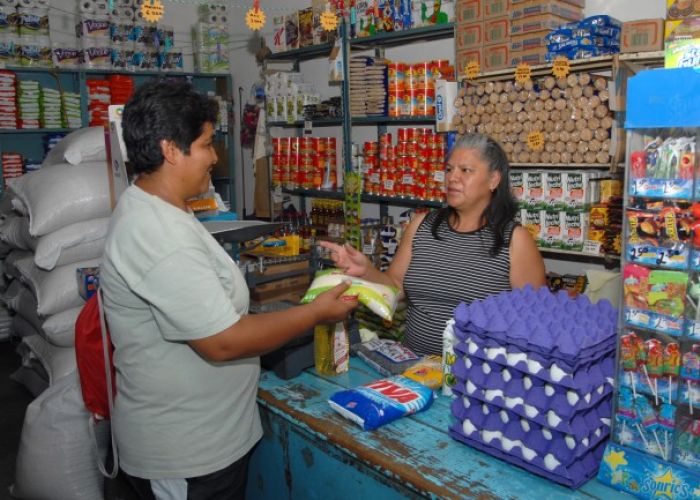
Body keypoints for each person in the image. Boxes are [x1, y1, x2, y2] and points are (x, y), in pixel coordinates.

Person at [99, 80, 358, 500]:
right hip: (185, 455)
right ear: (170, 150)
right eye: (205, 144)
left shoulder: (165, 213)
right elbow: (221, 342)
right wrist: (314, 314)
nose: (215, 157)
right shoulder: (156, 233)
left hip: (209, 442)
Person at [322, 133, 546, 355]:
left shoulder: (515, 240)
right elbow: (395, 286)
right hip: (414, 369)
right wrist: (366, 271)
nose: (452, 178)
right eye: (449, 169)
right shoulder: (422, 225)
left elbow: (533, 321)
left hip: (476, 379)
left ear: (493, 180)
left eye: (465, 170)